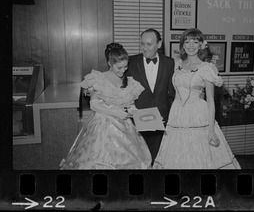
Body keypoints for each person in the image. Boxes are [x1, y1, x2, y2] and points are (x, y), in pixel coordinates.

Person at [153, 28, 241, 169]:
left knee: (200, 157)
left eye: (195, 42)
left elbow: (211, 101)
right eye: (187, 42)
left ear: (201, 44)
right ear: (182, 45)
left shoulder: (206, 68)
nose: (191, 45)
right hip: (177, 115)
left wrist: (211, 130)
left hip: (198, 115)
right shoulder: (176, 64)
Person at [60, 43, 152, 169]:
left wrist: (148, 118)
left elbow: (131, 107)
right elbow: (94, 105)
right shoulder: (99, 78)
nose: (122, 70)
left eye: (125, 67)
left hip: (124, 127)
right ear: (110, 63)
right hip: (103, 126)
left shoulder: (129, 81)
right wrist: (116, 113)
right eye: (119, 68)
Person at [127, 28, 175, 165]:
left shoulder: (170, 63)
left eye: (149, 44)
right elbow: (119, 84)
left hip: (161, 118)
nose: (144, 48)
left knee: (157, 158)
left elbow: (172, 92)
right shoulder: (130, 62)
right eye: (142, 44)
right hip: (137, 118)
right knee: (138, 159)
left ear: (159, 45)